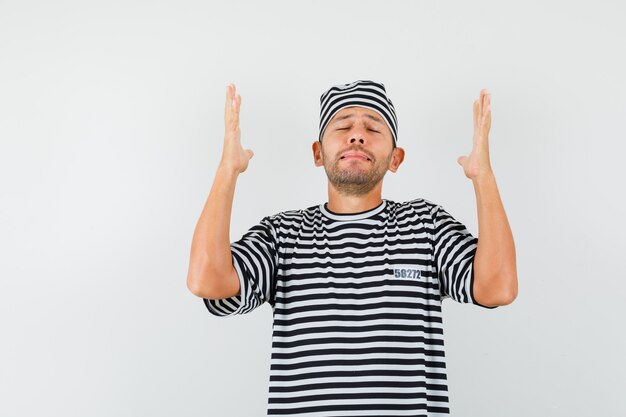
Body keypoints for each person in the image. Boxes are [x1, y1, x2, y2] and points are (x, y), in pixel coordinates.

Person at [187, 79, 518, 416]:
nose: (357, 135)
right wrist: (227, 171)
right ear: (318, 153)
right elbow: (206, 280)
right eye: (343, 125)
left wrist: (483, 176)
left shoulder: (426, 225)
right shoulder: (282, 236)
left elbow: (497, 288)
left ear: (395, 158)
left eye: (373, 128)